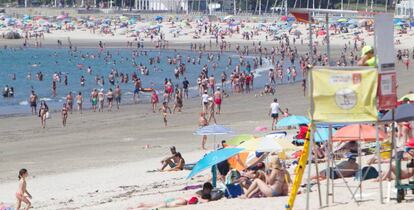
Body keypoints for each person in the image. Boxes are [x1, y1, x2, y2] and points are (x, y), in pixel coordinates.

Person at [128, 182, 213, 209]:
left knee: (152, 205)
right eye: (209, 190)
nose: (209, 192)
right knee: (152, 207)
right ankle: (135, 208)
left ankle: (136, 207)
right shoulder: (198, 196)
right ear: (206, 189)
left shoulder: (197, 194)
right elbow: (205, 200)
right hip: (172, 201)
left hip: (173, 200)